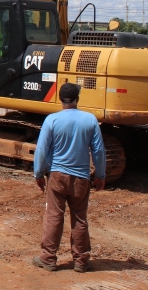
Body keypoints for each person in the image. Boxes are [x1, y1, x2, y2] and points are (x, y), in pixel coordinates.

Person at [32, 83, 106, 273]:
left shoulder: (52, 120)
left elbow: (42, 150)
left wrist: (38, 174)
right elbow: (98, 151)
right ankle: (81, 261)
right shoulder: (90, 120)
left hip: (57, 176)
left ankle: (48, 258)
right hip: (81, 178)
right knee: (80, 218)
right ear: (77, 98)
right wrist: (100, 175)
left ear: (60, 98)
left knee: (54, 216)